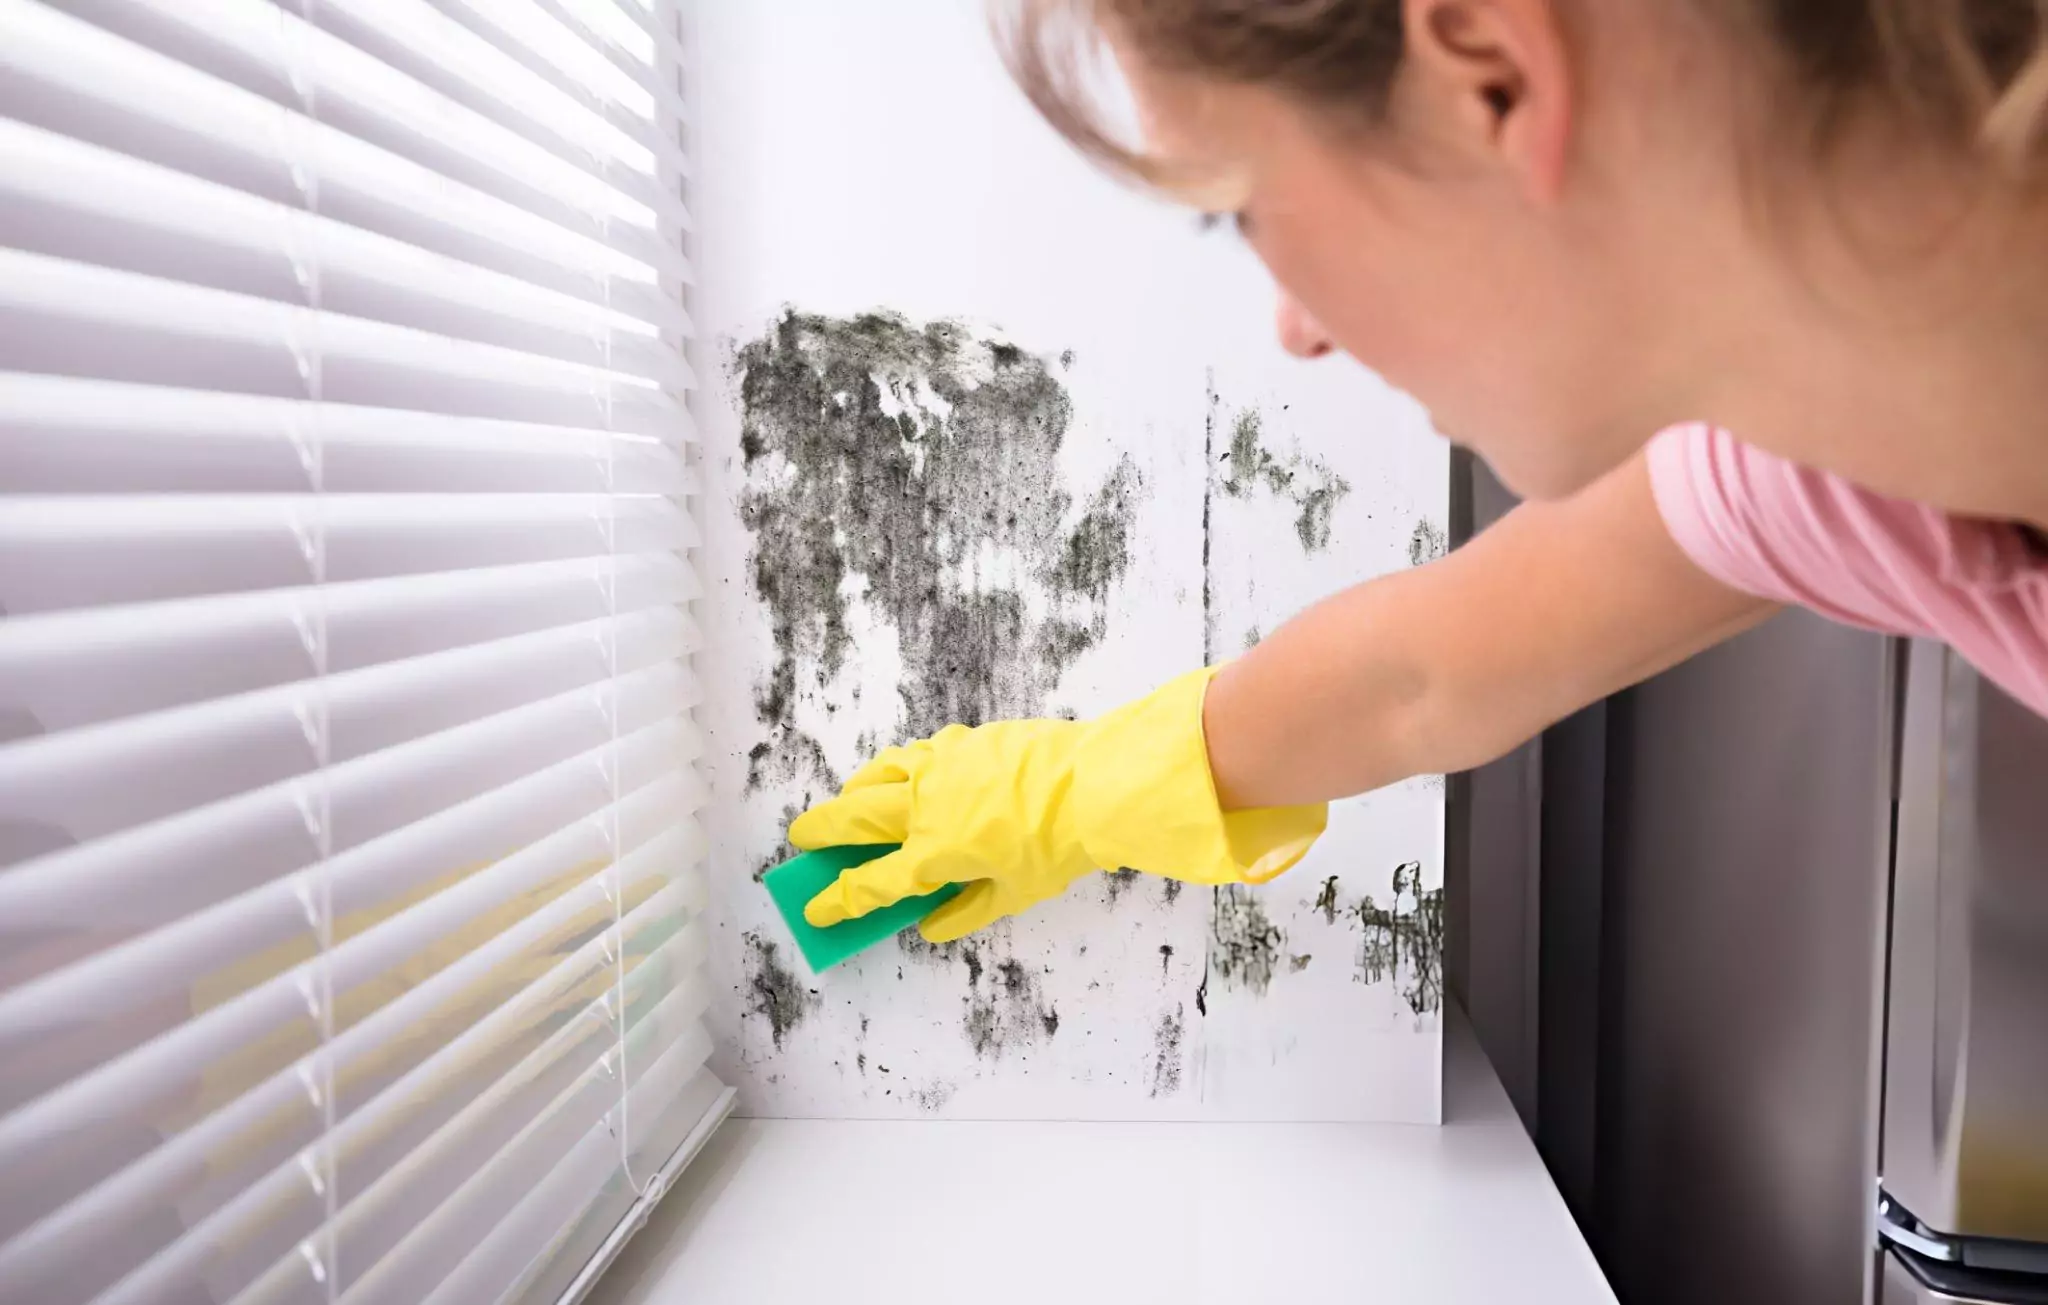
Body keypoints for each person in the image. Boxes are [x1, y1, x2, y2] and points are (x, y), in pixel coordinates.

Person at [795, 0, 2048, 944]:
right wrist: (1063, 797)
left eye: (1240, 207)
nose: (1296, 327)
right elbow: (1418, 677)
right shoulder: (1829, 473)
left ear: (1490, 78)